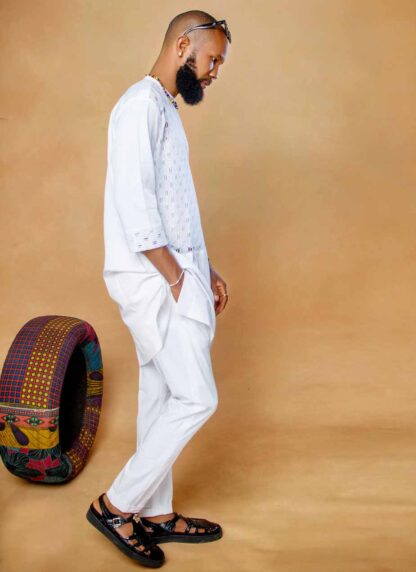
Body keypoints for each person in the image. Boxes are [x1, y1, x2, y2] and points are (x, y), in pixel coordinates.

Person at [86, 9, 231, 568]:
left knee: (163, 394)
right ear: (182, 47)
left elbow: (176, 206)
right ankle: (117, 504)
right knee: (197, 397)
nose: (214, 71)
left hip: (172, 271)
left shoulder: (163, 108)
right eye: (212, 58)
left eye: (219, 62)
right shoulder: (139, 106)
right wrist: (175, 277)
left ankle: (155, 511)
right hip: (153, 278)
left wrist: (205, 268)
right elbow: (136, 203)